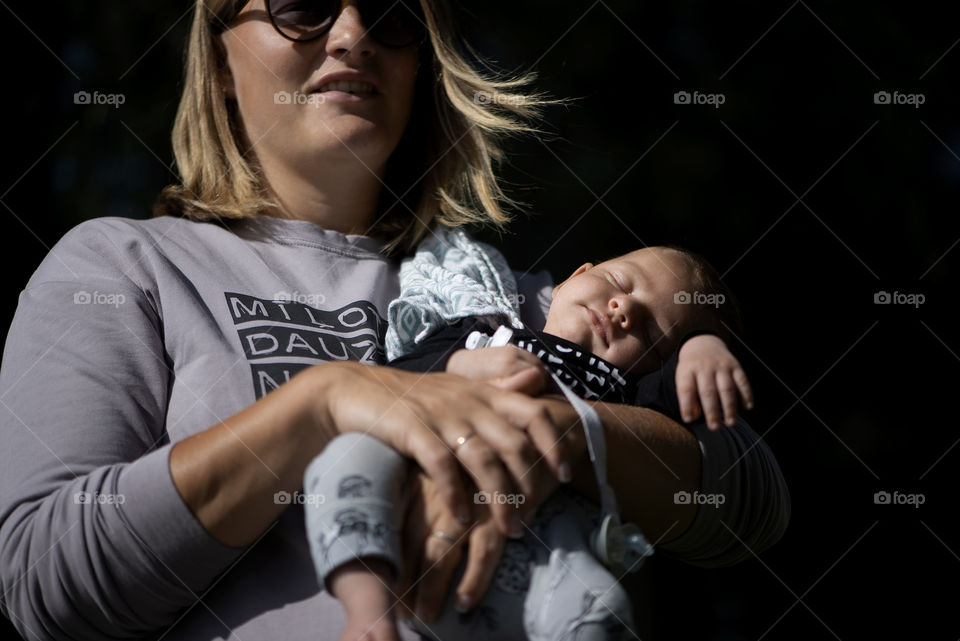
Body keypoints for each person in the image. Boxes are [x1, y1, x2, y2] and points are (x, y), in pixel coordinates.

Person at [0, 2, 790, 641]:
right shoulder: (125, 265)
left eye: (392, 17)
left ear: (422, 67)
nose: (352, 35)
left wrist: (545, 423)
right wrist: (328, 400)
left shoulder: (520, 301)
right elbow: (46, 583)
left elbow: (749, 498)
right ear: (219, 60)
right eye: (301, 7)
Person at [306, 245, 754, 641]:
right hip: (423, 473)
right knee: (352, 458)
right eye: (620, 282)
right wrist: (458, 364)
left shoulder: (622, 389)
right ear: (573, 279)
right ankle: (367, 616)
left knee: (598, 603)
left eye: (652, 337)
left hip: (533, 533)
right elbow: (400, 374)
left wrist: (701, 347)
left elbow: (689, 413)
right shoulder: (485, 330)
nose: (624, 309)